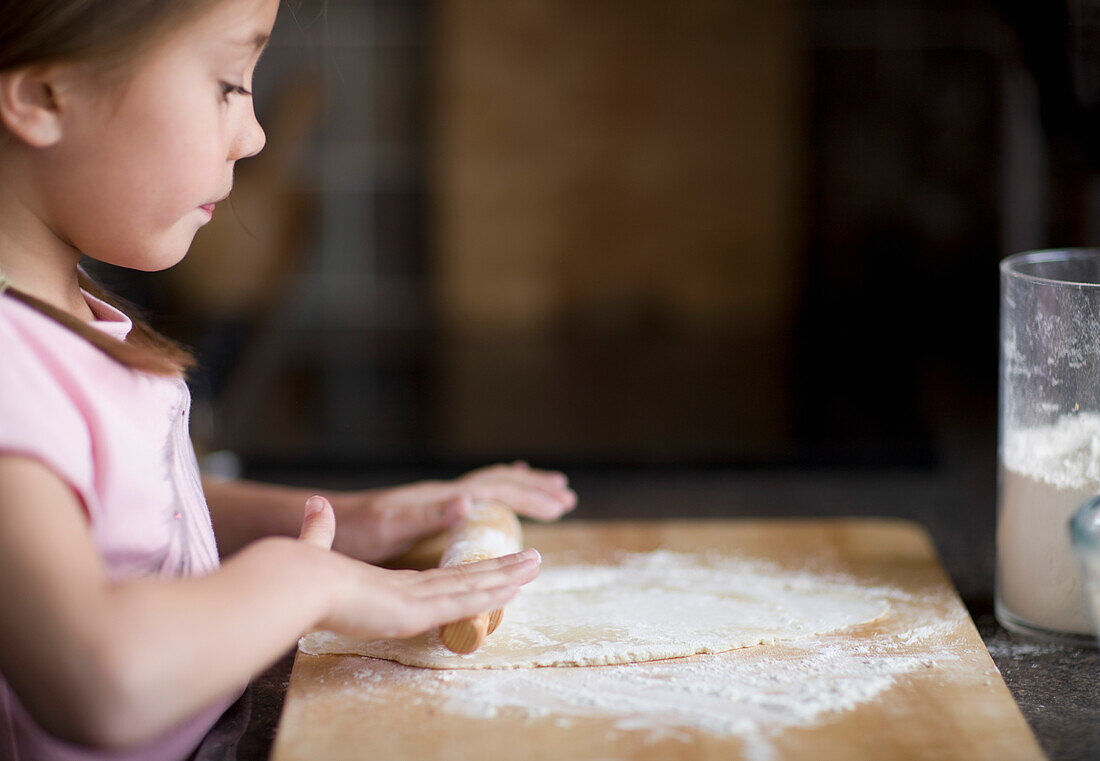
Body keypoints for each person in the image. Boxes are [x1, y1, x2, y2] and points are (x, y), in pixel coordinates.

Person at [0, 1, 576, 758]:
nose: (257, 132)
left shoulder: (61, 319)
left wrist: (356, 520)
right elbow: (102, 684)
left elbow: (124, 515)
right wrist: (304, 582)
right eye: (229, 83)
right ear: (43, 96)